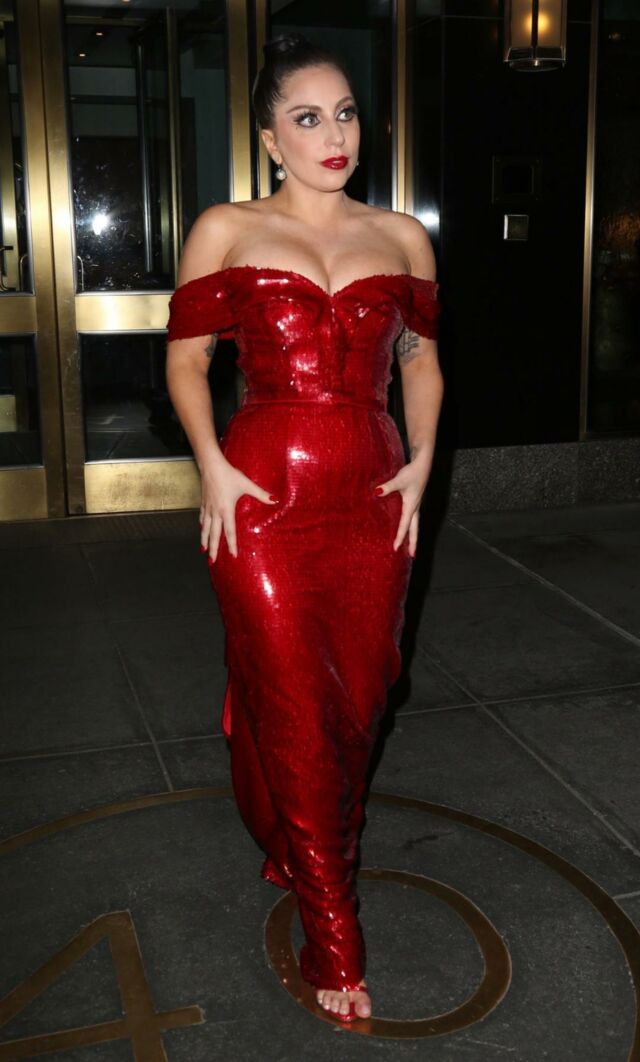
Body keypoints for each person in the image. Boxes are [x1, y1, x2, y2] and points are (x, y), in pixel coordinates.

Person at [165, 31, 443, 1023]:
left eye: (347, 114)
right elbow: (188, 361)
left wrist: (422, 464)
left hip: (372, 497)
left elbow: (419, 360)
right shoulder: (225, 229)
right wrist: (212, 466)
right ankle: (335, 936)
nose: (335, 135)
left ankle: (295, 835)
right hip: (261, 500)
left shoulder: (402, 237)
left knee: (359, 703)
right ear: (269, 138)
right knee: (291, 702)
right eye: (308, 117)